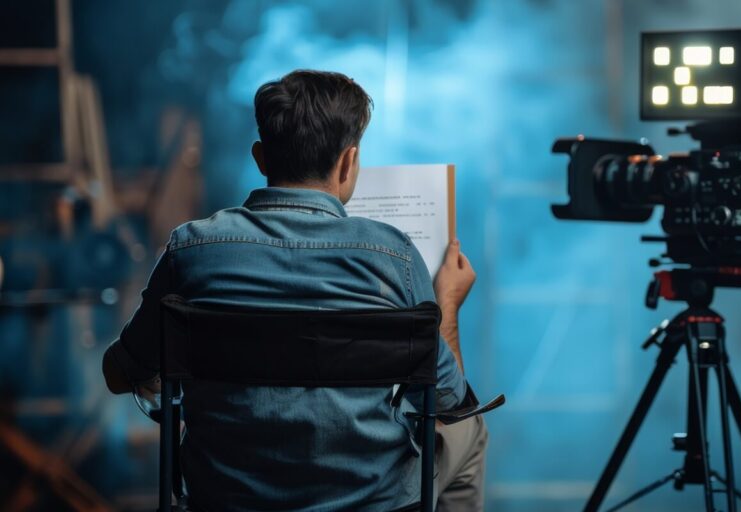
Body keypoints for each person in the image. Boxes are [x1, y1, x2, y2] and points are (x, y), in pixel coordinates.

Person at [102, 70, 488, 511]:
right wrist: (448, 305)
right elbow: (448, 401)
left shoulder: (192, 250)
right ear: (348, 163)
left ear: (261, 158)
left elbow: (119, 374)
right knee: (469, 431)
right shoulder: (394, 256)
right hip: (369, 504)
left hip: (223, 503)